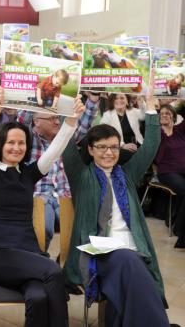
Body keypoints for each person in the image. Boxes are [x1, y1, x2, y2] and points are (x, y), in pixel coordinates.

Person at [62, 90, 172, 326]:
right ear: (90, 150)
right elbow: (66, 146)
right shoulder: (81, 176)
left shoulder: (128, 175)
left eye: (113, 147)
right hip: (95, 252)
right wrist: (69, 113)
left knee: (132, 278)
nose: (109, 153)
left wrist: (151, 106)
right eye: (101, 147)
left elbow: (151, 145)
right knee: (131, 263)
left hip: (132, 250)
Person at [0, 89, 84, 327]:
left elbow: (56, 148)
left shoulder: (28, 173)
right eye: (10, 142)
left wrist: (72, 120)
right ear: (0, 144)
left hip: (29, 254)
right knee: (54, 271)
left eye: (21, 143)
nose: (17, 147)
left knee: (38, 297)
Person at [17, 93, 100, 250]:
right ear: (37, 122)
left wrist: (93, 99)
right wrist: (37, 93)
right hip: (39, 196)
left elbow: (84, 123)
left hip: (65, 195)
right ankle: (38, 260)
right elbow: (22, 120)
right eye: (51, 119)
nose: (57, 121)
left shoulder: (65, 137)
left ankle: (67, 264)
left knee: (81, 232)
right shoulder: (27, 138)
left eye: (58, 118)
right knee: (44, 229)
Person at [154, 104, 185, 249]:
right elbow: (156, 157)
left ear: (173, 116)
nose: (164, 115)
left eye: (167, 113)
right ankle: (179, 229)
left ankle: (175, 220)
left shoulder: (179, 131)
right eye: (162, 113)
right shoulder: (157, 133)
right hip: (167, 171)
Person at [100, 93, 146, 164]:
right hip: (119, 149)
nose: (119, 100)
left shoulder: (133, 111)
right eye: (116, 98)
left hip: (138, 146)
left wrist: (141, 102)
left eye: (122, 98)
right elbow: (103, 135)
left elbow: (145, 115)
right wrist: (122, 145)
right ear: (112, 101)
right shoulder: (107, 115)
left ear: (127, 100)